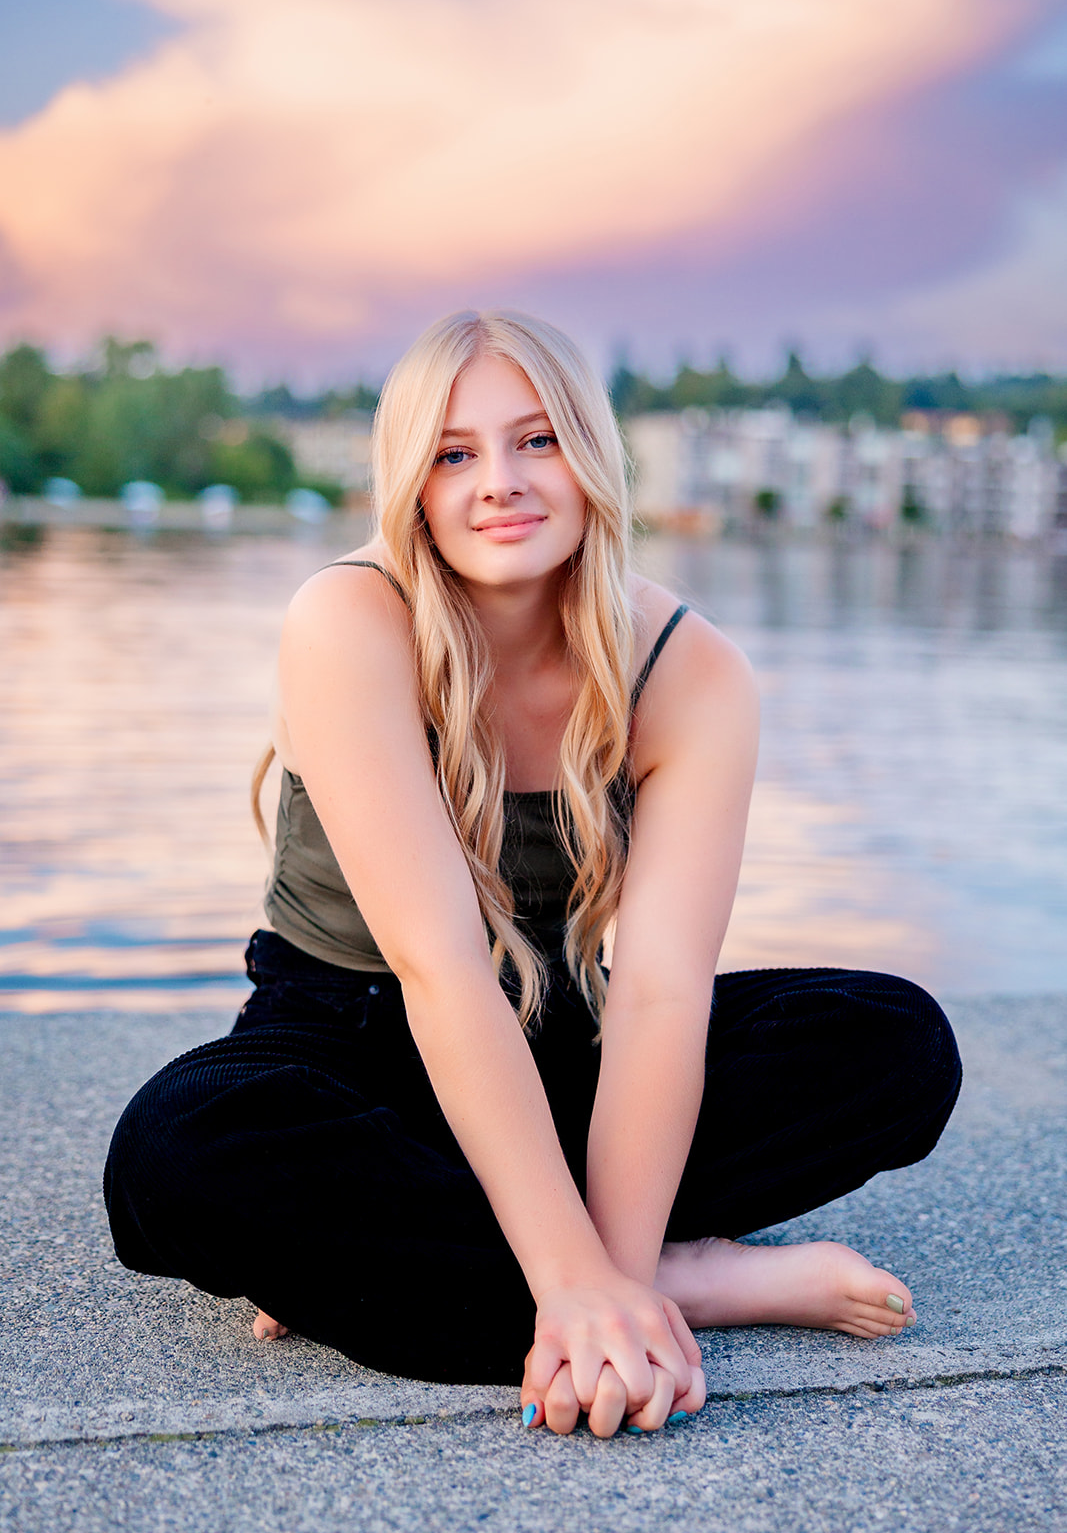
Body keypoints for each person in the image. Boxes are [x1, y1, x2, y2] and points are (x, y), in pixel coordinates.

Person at [104, 309, 962, 1439]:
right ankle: (675, 1284)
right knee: (176, 1159)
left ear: (591, 455)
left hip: (562, 1033)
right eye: (453, 453)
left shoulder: (687, 670)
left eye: (536, 440)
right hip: (347, 1037)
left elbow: (657, 994)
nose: (497, 483)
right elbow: (439, 965)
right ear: (410, 480)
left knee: (890, 1040)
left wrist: (586, 1265)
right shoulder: (350, 618)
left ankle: (454, 1266)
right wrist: (576, 1281)